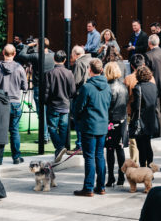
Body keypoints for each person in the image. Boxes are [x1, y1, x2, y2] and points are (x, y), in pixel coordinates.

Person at [74, 58, 111, 197]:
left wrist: (78, 117)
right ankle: (100, 186)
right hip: (101, 124)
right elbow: (108, 104)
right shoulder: (107, 86)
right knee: (99, 155)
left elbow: (79, 107)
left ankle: (88, 187)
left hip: (89, 125)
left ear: (90, 70)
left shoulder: (87, 87)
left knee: (89, 157)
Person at [0, 44, 28, 165]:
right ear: (14, 54)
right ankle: (16, 157)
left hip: (0, 103)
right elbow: (25, 87)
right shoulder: (19, 68)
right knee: (15, 131)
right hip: (15, 102)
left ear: (3, 52)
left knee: (0, 131)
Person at [44, 49, 75, 161]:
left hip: (53, 105)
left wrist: (46, 101)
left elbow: (46, 91)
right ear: (65, 60)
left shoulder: (50, 73)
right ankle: (60, 149)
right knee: (63, 128)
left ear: (54, 59)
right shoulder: (69, 73)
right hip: (65, 104)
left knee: (52, 128)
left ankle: (60, 147)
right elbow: (72, 91)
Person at [104, 61, 129, 187]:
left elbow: (107, 106)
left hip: (111, 121)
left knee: (109, 151)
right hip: (122, 120)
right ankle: (121, 177)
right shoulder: (123, 86)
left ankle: (111, 177)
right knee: (120, 149)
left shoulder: (108, 87)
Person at [130, 65, 159, 167]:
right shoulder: (153, 86)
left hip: (141, 120)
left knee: (141, 146)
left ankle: (143, 167)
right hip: (151, 119)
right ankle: (150, 167)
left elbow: (136, 106)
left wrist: (132, 104)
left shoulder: (138, 88)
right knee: (148, 144)